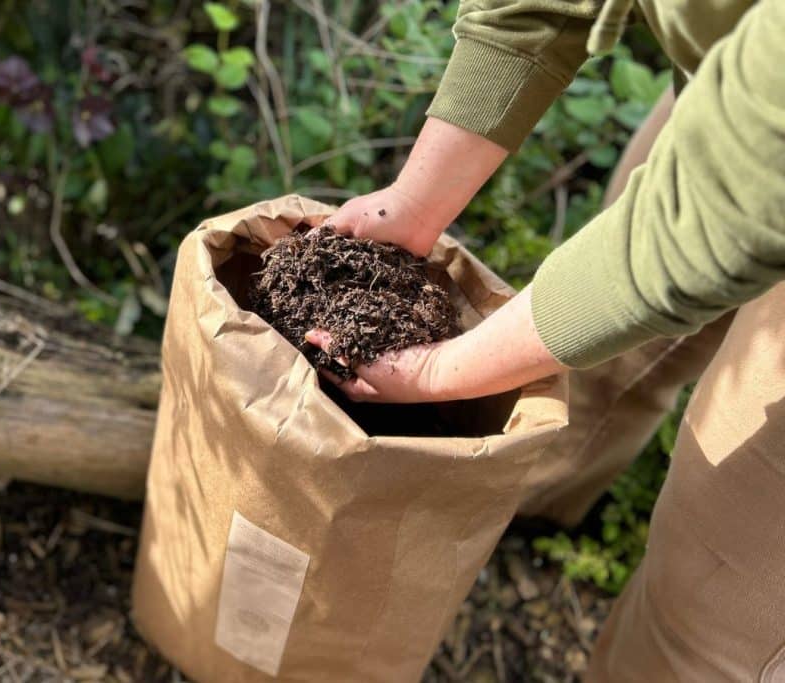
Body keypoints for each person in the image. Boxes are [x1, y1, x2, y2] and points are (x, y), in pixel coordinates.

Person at [306, 2, 785, 681]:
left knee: (711, 598)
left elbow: (697, 233)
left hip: (768, 150)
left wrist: (439, 370)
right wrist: (413, 202)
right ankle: (534, 507)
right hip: (739, 93)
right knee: (606, 359)